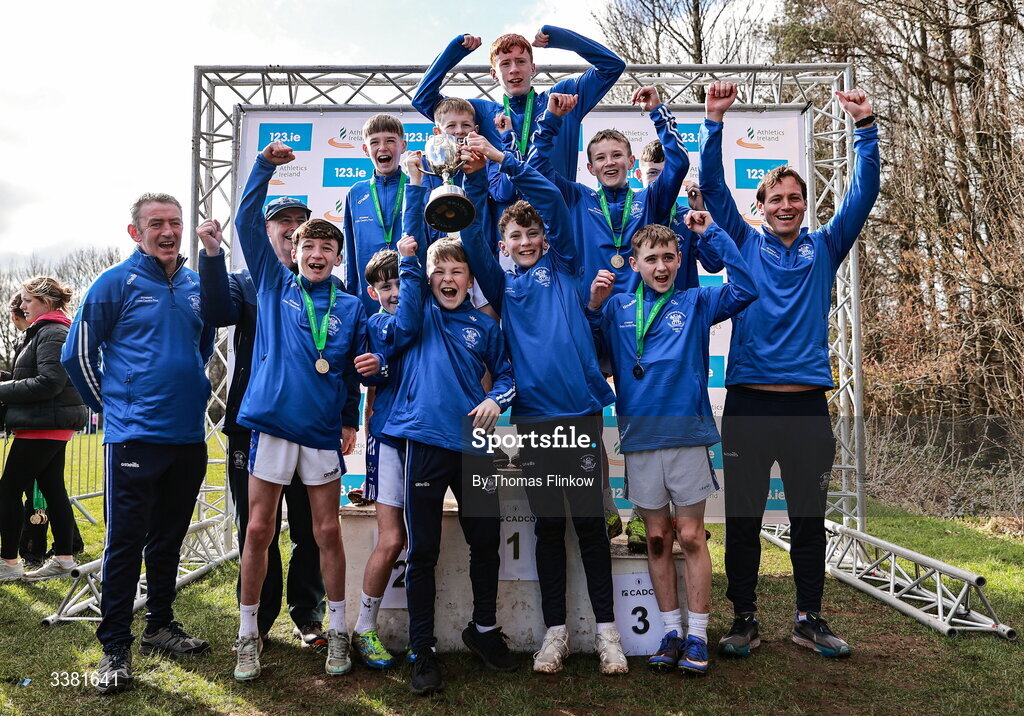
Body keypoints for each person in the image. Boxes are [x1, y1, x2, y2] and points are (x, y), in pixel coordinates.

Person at [699, 81, 879, 658]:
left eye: (794, 198)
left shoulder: (825, 246)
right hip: (749, 405)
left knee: (807, 519)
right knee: (745, 519)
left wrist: (866, 131)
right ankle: (744, 618)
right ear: (761, 206)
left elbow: (861, 195)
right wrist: (713, 122)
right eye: (775, 198)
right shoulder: (741, 244)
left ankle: (808, 618)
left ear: (804, 205)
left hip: (806, 408)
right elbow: (715, 190)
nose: (785, 205)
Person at [460, 124, 627, 675]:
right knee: (548, 530)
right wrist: (480, 176)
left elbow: (553, 198)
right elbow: (475, 234)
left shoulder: (569, 266)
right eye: (515, 237)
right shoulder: (504, 283)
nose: (525, 242)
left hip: (579, 414)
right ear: (505, 245)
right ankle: (554, 633)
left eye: (532, 233)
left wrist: (500, 154)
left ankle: (608, 635)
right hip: (533, 422)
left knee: (588, 526)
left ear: (545, 237)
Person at [230, 141, 383, 682]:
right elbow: (248, 220)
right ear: (293, 252)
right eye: (308, 245)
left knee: (326, 533)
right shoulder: (273, 285)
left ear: (339, 258)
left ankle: (336, 632)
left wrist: (349, 417)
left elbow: (350, 373)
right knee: (258, 532)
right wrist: (264, 167)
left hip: (320, 434)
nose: (317, 254)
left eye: (326, 247)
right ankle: (248, 636)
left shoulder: (352, 306)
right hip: (271, 426)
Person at [587, 217, 758, 675]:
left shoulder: (696, 301)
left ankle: (699, 635)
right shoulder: (618, 307)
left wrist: (712, 235)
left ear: (679, 261)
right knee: (658, 540)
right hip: (640, 442)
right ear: (637, 265)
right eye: (651, 259)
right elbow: (587, 351)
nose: (660, 266)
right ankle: (669, 632)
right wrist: (591, 307)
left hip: (686, 437)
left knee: (689, 536)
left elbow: (746, 288)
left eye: (668, 258)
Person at [62, 193, 216, 695]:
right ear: (136, 232)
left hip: (189, 435)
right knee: (126, 543)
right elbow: (77, 352)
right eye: (156, 224)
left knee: (168, 537)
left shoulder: (196, 284)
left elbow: (201, 345)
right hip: (135, 437)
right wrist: (109, 404)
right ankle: (114, 647)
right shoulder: (114, 282)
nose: (168, 231)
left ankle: (159, 625)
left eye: (174, 222)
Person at [530, 86, 698, 536]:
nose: (609, 162)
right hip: (587, 319)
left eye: (617, 155)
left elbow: (678, 163)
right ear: (589, 166)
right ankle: (604, 507)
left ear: (629, 161)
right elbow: (534, 168)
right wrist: (549, 120)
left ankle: (646, 515)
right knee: (587, 418)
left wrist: (656, 114)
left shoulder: (650, 200)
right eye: (600, 156)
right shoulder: (577, 197)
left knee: (637, 412)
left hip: (638, 326)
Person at [381, 215, 516, 695]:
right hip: (425, 441)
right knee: (424, 552)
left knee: (486, 540)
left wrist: (495, 399)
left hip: (475, 444)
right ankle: (422, 650)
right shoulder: (418, 314)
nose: (448, 280)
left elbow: (506, 376)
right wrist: (413, 244)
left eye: (458, 272)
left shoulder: (485, 326)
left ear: (470, 279)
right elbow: (412, 269)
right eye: (440, 273)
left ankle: (481, 631)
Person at [198, 199, 339, 650]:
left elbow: (340, 361)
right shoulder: (247, 280)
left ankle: (308, 616)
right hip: (253, 424)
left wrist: (349, 414)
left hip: (312, 426)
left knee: (310, 528)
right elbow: (218, 312)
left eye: (301, 223)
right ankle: (257, 622)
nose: (292, 229)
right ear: (271, 232)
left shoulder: (333, 293)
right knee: (257, 528)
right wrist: (214, 256)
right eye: (284, 222)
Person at [624, 140, 724, 553]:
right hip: (641, 328)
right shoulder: (634, 214)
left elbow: (716, 265)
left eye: (666, 176)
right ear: (640, 176)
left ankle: (689, 514)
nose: (659, 184)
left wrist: (705, 217)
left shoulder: (686, 219)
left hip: (686, 325)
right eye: (651, 176)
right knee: (638, 410)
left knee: (686, 404)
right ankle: (639, 516)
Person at [413, 27, 624, 182]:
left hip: (557, 223)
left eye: (521, 61)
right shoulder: (483, 114)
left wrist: (561, 38)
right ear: (494, 74)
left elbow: (612, 67)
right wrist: (454, 51)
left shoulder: (560, 100)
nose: (514, 69)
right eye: (505, 64)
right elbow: (423, 99)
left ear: (533, 68)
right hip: (506, 232)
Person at [349, 245, 416, 670]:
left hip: (428, 438)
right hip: (389, 437)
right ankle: (363, 628)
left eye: (400, 283)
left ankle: (422, 634)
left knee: (422, 541)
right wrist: (372, 369)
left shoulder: (425, 315)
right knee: (392, 538)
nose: (393, 292)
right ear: (373, 292)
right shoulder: (373, 324)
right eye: (385, 285)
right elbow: (362, 371)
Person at [0, 277, 88, 583]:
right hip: (47, 423)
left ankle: (10, 562)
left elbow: (50, 382)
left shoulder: (53, 331)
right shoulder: (50, 330)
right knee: (52, 490)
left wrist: (2, 389)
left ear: (45, 302)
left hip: (43, 425)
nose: (22, 306)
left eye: (27, 300)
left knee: (7, 491)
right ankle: (64, 558)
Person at [344, 113, 411, 317]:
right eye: (375, 142)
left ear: (403, 146)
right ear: (366, 150)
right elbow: (350, 251)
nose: (383, 147)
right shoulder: (356, 193)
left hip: (410, 292)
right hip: (370, 299)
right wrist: (352, 298)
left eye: (390, 141)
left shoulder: (416, 187)